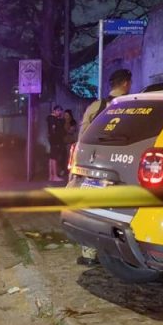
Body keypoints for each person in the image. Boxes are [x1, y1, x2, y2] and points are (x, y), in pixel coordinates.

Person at [76, 68, 133, 266]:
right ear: (126, 83)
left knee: (90, 208)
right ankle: (120, 253)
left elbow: (82, 137)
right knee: (119, 212)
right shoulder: (135, 106)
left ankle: (89, 254)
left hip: (94, 164)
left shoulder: (96, 106)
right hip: (122, 165)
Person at [46, 105, 66, 182]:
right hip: (55, 140)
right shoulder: (53, 119)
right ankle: (54, 176)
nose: (60, 112)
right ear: (54, 111)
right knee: (54, 157)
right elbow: (55, 130)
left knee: (51, 157)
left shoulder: (51, 118)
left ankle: (51, 176)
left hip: (52, 140)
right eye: (58, 111)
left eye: (60, 111)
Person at [62, 108, 78, 180]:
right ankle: (64, 170)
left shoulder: (73, 122)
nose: (66, 116)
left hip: (70, 142)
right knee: (63, 157)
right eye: (65, 115)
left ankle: (69, 172)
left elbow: (71, 131)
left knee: (69, 157)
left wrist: (65, 130)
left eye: (67, 115)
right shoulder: (62, 121)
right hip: (63, 142)